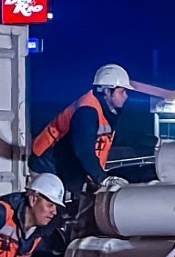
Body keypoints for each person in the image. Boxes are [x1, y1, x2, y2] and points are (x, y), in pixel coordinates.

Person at [31, 63, 133, 200]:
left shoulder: (106, 111)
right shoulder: (87, 112)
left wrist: (153, 142)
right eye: (122, 91)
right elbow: (83, 150)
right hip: (48, 167)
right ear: (107, 91)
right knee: (52, 212)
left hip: (65, 167)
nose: (126, 96)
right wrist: (102, 179)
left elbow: (114, 139)